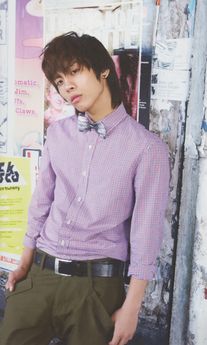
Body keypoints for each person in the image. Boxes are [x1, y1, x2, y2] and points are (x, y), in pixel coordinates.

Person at [1, 32, 170, 345]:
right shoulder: (58, 134)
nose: (67, 87)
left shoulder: (147, 149)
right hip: (40, 273)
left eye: (75, 72)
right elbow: (42, 201)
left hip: (96, 288)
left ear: (103, 69)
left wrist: (132, 307)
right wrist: (24, 264)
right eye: (60, 81)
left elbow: (146, 233)